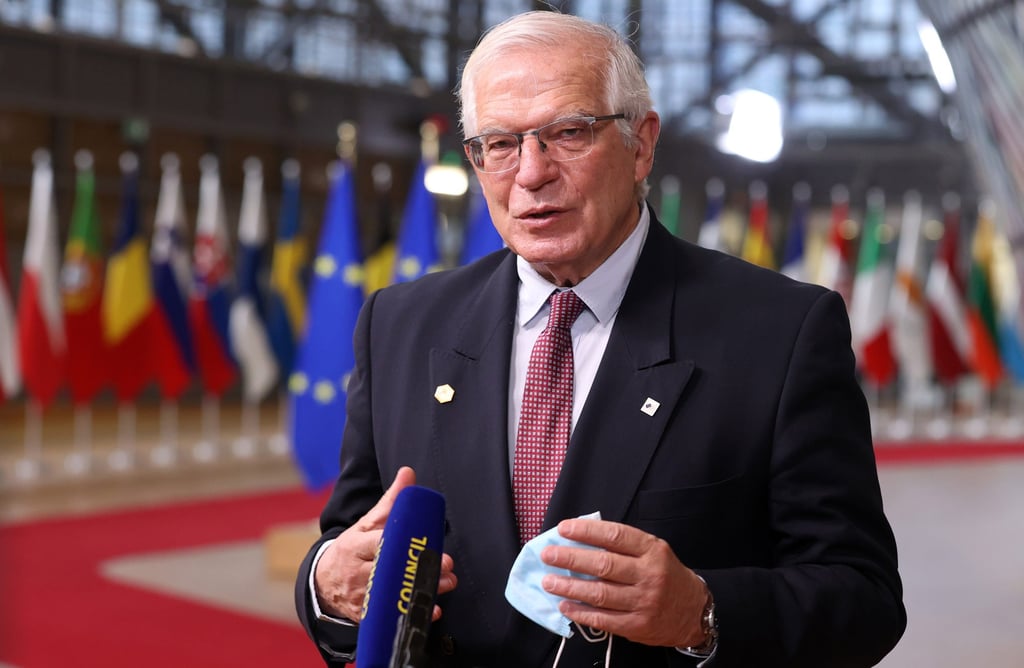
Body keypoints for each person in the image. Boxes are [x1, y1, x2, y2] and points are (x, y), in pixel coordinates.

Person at [295, 10, 905, 667]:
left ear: (641, 145)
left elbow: (862, 599)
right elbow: (349, 547)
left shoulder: (780, 333)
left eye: (568, 133)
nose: (531, 173)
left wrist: (700, 612)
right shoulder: (399, 324)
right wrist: (325, 587)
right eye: (499, 144)